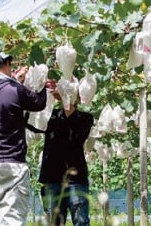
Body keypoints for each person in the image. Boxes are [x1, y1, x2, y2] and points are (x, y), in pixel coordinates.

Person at [0, 52, 55, 226]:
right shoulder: (13, 89)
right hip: (11, 167)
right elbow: (38, 103)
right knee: (11, 222)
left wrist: (14, 80)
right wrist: (44, 88)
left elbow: (2, 94)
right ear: (6, 65)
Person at [37, 90, 94, 226]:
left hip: (76, 180)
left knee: (81, 222)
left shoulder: (85, 118)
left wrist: (64, 99)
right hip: (51, 179)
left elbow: (74, 127)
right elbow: (32, 122)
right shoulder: (50, 116)